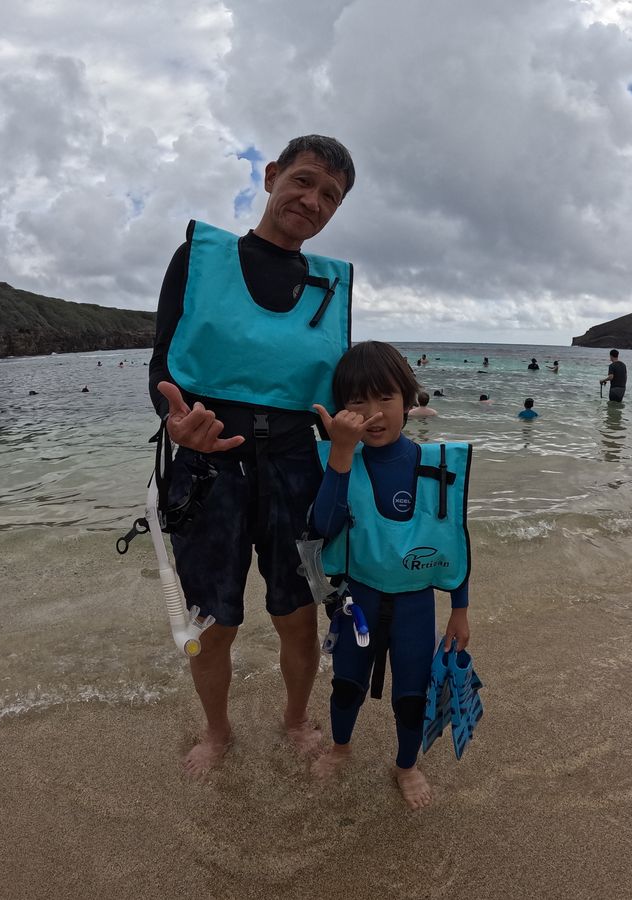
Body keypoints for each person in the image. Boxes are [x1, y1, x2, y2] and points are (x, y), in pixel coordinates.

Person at [148, 134, 356, 776]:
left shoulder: (330, 285)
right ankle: (217, 730)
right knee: (212, 622)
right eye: (303, 181)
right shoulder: (199, 257)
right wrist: (175, 423)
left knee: (298, 614)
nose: (312, 201)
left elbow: (344, 396)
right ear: (270, 177)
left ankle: (294, 719)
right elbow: (163, 365)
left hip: (298, 470)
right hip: (206, 469)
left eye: (330, 196)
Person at [309, 341, 472, 809]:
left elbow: (454, 541)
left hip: (415, 603)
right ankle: (341, 746)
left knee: (411, 695)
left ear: (409, 399)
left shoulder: (434, 465)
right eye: (357, 401)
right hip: (356, 600)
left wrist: (460, 609)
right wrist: (341, 453)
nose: (373, 414)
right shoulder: (341, 460)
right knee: (346, 685)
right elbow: (323, 527)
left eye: (385, 398)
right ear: (341, 408)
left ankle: (406, 766)